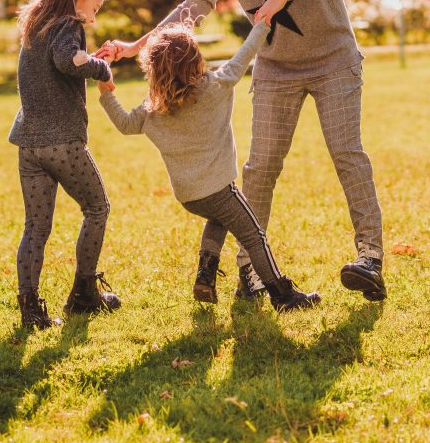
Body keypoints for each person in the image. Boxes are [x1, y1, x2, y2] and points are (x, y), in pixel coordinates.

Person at [99, 0, 386, 302]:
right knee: (259, 169)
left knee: (347, 154)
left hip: (334, 59)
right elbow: (195, 4)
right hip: (275, 70)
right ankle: (249, 274)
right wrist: (139, 45)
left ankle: (370, 258)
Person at [97, 18, 321, 312]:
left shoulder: (152, 108)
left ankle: (205, 275)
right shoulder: (216, 86)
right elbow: (245, 54)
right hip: (220, 189)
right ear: (195, 60)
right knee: (254, 237)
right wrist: (263, 25)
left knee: (220, 217)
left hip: (190, 197)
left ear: (152, 69)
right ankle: (282, 295)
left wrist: (106, 91)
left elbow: (125, 125)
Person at [8, 0, 121, 330]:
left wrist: (91, 59)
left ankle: (30, 308)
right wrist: (101, 70)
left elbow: (65, 59)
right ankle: (84, 294)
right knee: (98, 208)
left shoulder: (37, 23)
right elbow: (67, 60)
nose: (95, 12)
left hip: (29, 145)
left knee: (36, 227)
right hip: (61, 143)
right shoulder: (67, 25)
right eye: (95, 4)